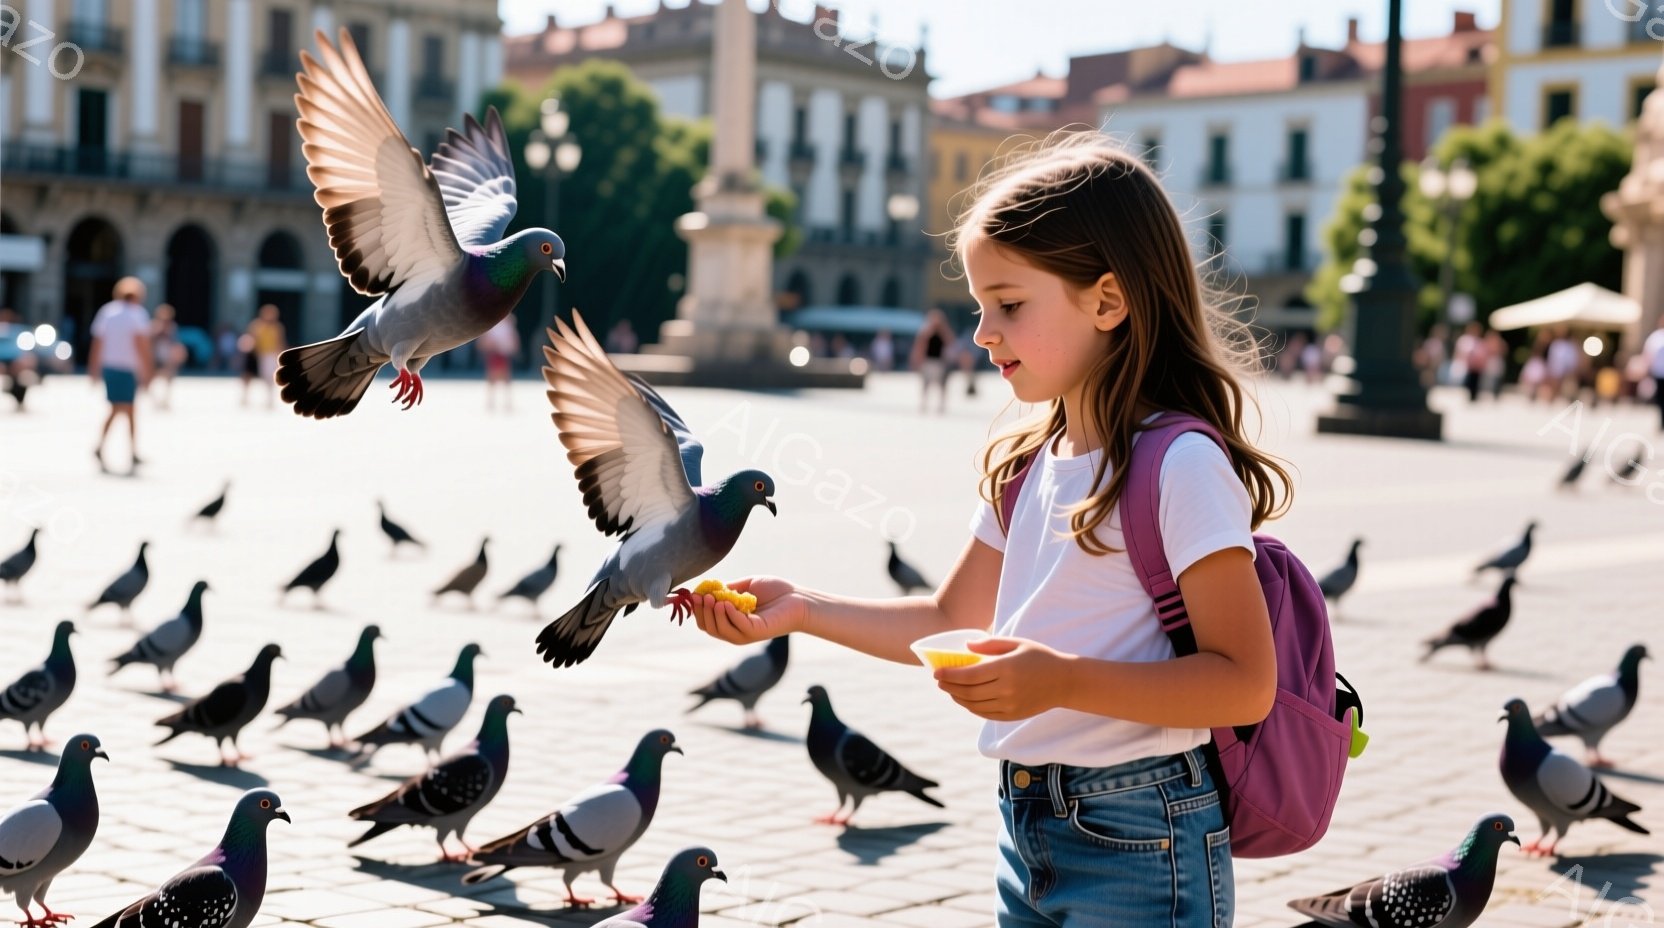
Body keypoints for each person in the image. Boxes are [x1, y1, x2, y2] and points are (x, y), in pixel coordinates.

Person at [688, 136, 1287, 927]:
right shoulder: (1027, 465)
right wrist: (801, 606)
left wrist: (1061, 681)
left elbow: (1244, 681)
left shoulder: (1178, 463)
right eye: (979, 306)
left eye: (1009, 304)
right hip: (1025, 824)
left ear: (1108, 302)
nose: (981, 332)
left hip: (1146, 830)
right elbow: (949, 622)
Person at [89, 276, 153, 472]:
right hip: (127, 368)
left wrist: (93, 368)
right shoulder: (137, 314)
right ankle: (112, 448)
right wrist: (148, 369)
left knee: (122, 409)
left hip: (110, 366)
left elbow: (98, 342)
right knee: (122, 409)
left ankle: (128, 451)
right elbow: (142, 345)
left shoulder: (107, 312)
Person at [911, 308, 955, 414]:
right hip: (928, 361)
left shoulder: (943, 332)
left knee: (941, 385)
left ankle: (941, 405)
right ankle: (924, 404)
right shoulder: (926, 332)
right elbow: (920, 346)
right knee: (926, 384)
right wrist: (917, 361)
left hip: (939, 362)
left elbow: (950, 342)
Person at [245, 304, 286, 409]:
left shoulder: (277, 327)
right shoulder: (256, 325)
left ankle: (270, 399)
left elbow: (280, 341)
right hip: (258, 354)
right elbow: (251, 339)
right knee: (249, 375)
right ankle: (246, 397)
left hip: (271, 355)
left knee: (269, 377)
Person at [480, 315, 521, 412]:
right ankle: (491, 402)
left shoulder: (507, 325)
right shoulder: (493, 325)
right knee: (492, 378)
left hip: (503, 353)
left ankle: (506, 402)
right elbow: (484, 341)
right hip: (495, 352)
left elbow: (513, 340)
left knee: (505, 378)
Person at [149, 303, 183, 410]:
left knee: (169, 379)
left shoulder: (172, 327)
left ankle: (165, 400)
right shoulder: (153, 326)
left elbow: (176, 342)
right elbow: (149, 341)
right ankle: (155, 401)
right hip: (155, 356)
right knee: (150, 381)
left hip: (167, 357)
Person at [1643, 316, 1664, 430]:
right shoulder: (1655, 337)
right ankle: (1662, 422)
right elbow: (1648, 354)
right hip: (1659, 373)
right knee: (1660, 399)